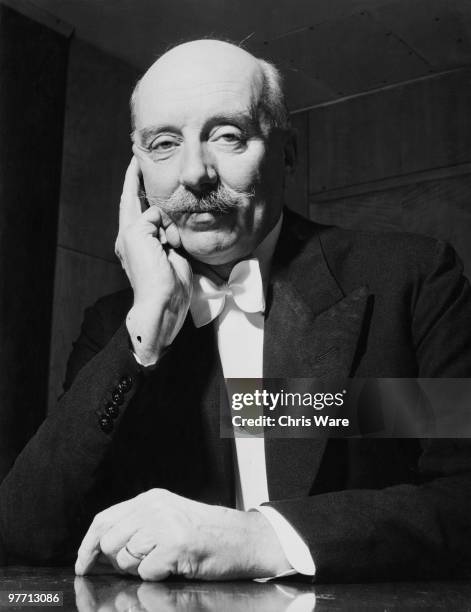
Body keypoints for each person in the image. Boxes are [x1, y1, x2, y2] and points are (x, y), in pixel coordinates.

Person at [1, 39, 471, 583]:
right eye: (163, 144)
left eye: (227, 135)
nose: (194, 173)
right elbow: (26, 532)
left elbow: (461, 497)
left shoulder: (409, 280)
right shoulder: (114, 326)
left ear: (287, 153)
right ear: (138, 176)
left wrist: (257, 537)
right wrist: (143, 340)